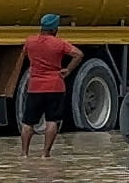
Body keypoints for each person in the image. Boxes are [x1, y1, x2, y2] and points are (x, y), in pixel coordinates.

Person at [20, 13, 83, 157]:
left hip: (35, 87)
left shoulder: (30, 41)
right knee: (52, 121)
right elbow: (78, 54)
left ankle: (24, 154)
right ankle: (45, 154)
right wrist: (68, 70)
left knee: (28, 122)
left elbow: (24, 53)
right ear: (54, 29)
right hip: (55, 86)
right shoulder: (59, 43)